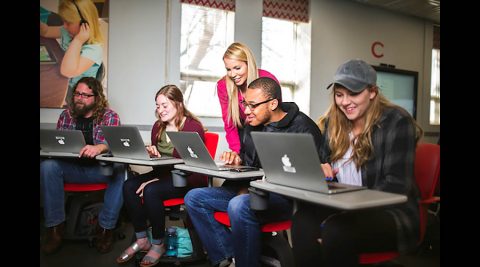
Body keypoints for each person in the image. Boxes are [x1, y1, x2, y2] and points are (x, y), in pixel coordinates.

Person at [291, 59, 423, 267]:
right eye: (339, 94)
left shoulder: (397, 121)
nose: (344, 102)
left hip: (389, 214)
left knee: (336, 230)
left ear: (372, 92)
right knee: (302, 221)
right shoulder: (333, 123)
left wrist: (348, 206)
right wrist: (321, 170)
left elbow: (396, 186)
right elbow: (326, 166)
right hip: (341, 207)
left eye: (353, 93)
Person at [185, 77, 323, 267]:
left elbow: (316, 176)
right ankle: (229, 258)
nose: (246, 111)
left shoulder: (303, 127)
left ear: (273, 103)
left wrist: (254, 189)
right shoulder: (252, 125)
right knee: (194, 198)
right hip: (251, 191)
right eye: (245, 104)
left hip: (285, 199)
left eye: (253, 105)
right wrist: (237, 160)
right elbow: (250, 163)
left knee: (238, 205)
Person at [116, 85, 207, 267]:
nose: (160, 110)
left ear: (178, 104)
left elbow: (188, 165)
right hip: (163, 174)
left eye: (165, 105)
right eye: (158, 106)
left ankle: (158, 243)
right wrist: (152, 151)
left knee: (151, 190)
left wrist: (152, 180)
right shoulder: (158, 127)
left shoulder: (192, 127)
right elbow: (160, 163)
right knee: (128, 186)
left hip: (188, 177)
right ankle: (142, 239)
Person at [40, 77, 125, 254]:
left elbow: (115, 144)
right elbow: (58, 145)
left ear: (96, 97)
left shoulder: (110, 116)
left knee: (120, 170)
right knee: (48, 167)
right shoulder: (66, 116)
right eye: (77, 94)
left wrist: (100, 147)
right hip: (72, 169)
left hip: (100, 170)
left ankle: (105, 229)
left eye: (86, 95)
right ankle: (55, 229)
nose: (80, 98)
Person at [217, 42, 280, 154]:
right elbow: (229, 123)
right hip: (243, 133)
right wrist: (236, 152)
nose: (232, 74)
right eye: (228, 69)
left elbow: (276, 117)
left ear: (248, 63)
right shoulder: (223, 85)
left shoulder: (267, 79)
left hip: (268, 131)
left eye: (237, 68)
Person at [40, 0, 104, 106]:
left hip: (78, 94)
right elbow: (46, 31)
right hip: (63, 81)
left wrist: (78, 40)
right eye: (63, 21)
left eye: (68, 22)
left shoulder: (94, 50)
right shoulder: (67, 31)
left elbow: (67, 71)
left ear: (85, 24)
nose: (64, 26)